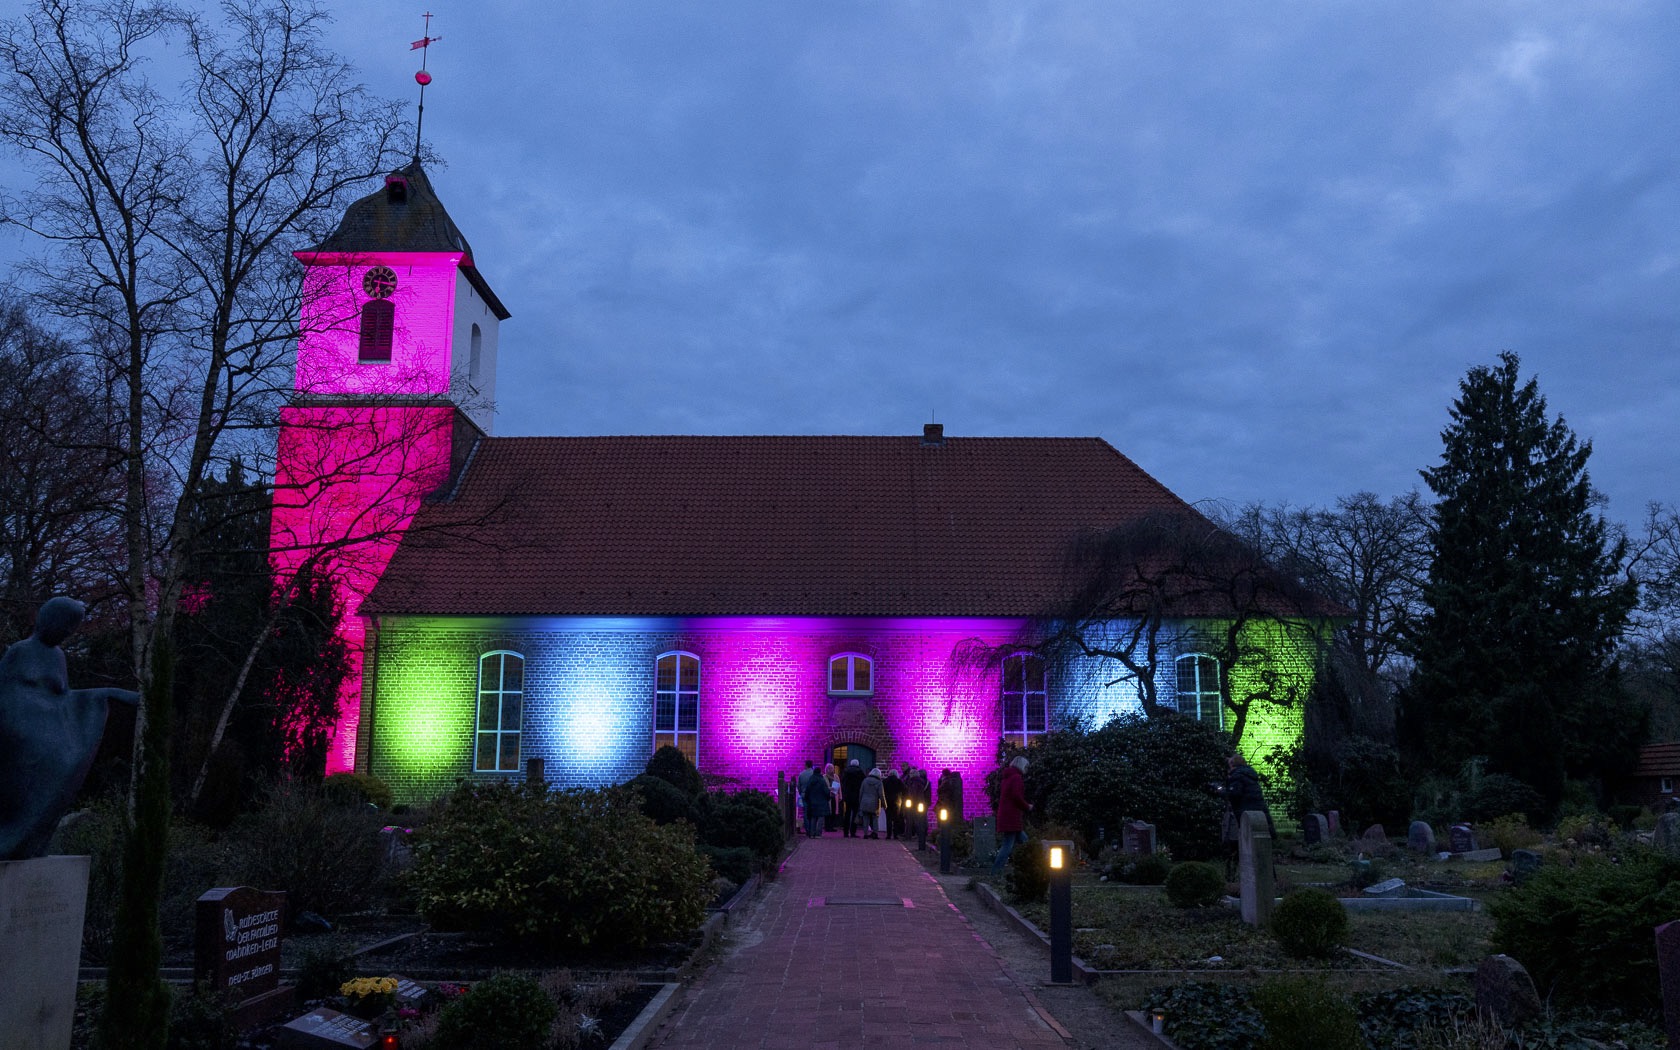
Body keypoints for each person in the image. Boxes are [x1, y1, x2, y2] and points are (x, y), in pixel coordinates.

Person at [991, 755, 1031, 873]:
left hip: (1006, 816)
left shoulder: (1007, 778)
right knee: (1009, 845)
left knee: (1024, 841)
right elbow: (1016, 796)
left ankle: (1031, 865)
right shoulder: (1016, 778)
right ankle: (996, 871)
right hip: (1012, 817)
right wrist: (1027, 806)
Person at [801, 758, 831, 838]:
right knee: (821, 818)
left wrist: (807, 799)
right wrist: (828, 798)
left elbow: (807, 791)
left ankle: (811, 833)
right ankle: (818, 833)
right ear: (820, 772)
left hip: (812, 802)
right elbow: (826, 791)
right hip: (821, 802)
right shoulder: (822, 780)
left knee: (813, 817)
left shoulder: (811, 780)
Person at [841, 758, 866, 837]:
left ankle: (845, 832)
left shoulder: (845, 771)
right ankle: (853, 832)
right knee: (855, 815)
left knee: (847, 814)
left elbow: (842, 783)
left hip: (847, 796)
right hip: (856, 796)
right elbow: (863, 784)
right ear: (858, 764)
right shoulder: (860, 772)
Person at [858, 766, 885, 838]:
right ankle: (875, 833)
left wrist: (860, 802)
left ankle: (865, 834)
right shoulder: (879, 782)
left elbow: (861, 792)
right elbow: (881, 795)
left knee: (865, 818)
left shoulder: (865, 780)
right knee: (875, 818)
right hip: (874, 803)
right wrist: (884, 804)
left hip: (865, 802)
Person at [882, 765, 903, 839]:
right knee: (896, 818)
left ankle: (888, 835)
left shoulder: (885, 781)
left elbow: (882, 791)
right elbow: (904, 790)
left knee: (888, 818)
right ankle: (895, 835)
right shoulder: (899, 781)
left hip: (887, 801)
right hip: (896, 801)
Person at [824, 763, 841, 832]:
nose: (831, 770)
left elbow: (839, 786)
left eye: (832, 768)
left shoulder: (836, 777)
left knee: (833, 811)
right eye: (829, 768)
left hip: (834, 796)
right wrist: (830, 788)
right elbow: (824, 786)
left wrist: (840, 795)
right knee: (828, 812)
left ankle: (832, 826)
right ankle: (827, 826)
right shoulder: (824, 777)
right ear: (826, 769)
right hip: (827, 796)